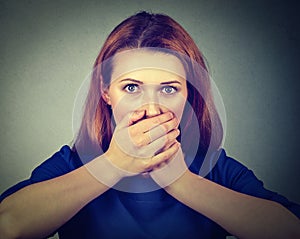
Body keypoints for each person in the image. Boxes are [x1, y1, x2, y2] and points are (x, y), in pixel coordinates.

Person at [0, 11, 299, 239]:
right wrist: (113, 164)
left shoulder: (215, 168)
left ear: (188, 95)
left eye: (169, 88)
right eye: (131, 88)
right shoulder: (73, 164)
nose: (151, 107)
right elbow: (8, 225)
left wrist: (180, 181)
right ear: (106, 92)